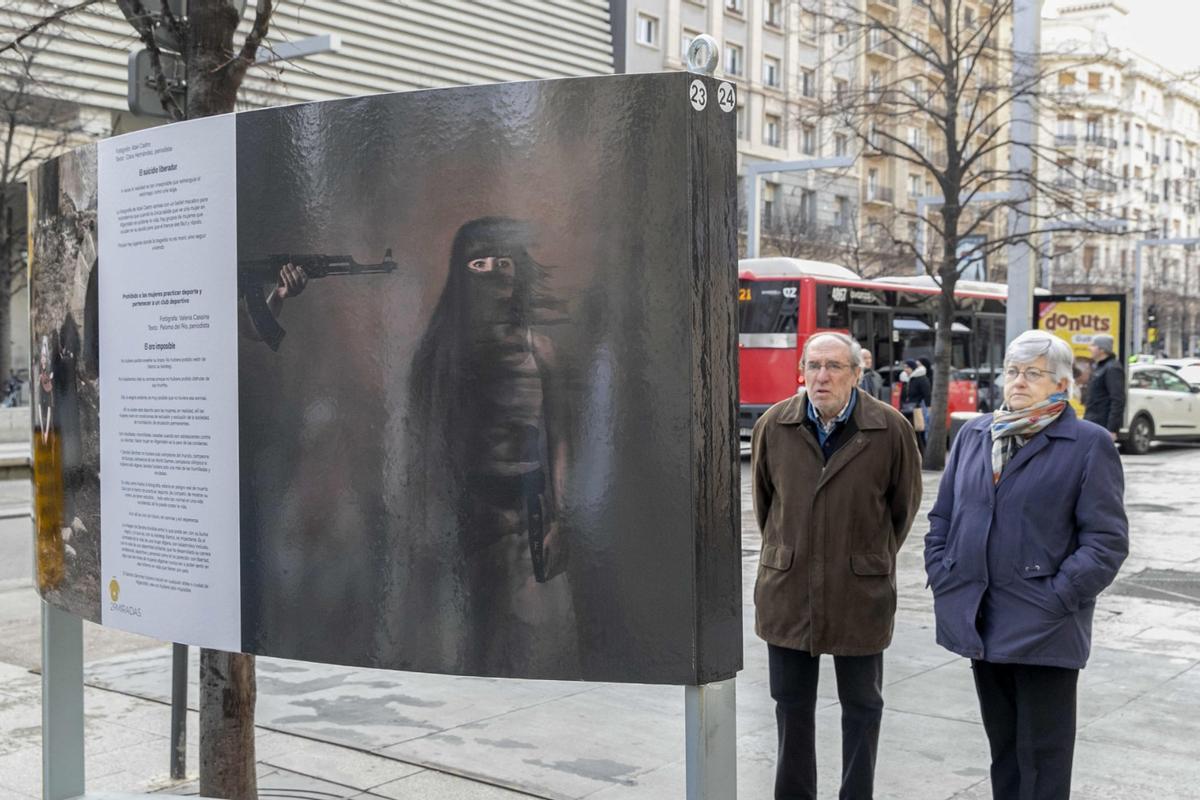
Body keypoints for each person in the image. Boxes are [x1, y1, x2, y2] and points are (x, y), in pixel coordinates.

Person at [925, 329, 1128, 800]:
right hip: (981, 618)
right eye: (1013, 371)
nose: (1019, 381)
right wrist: (943, 572)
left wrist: (1059, 596)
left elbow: (1107, 541)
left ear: (1061, 385)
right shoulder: (976, 434)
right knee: (1005, 753)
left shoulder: (1086, 443)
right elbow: (944, 517)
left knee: (1043, 761)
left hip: (1045, 628)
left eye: (1033, 374)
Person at [752, 332, 922, 800]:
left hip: (859, 594)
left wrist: (867, 558)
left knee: (863, 706)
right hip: (788, 593)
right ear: (801, 371)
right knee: (790, 706)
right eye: (813, 366)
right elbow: (767, 509)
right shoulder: (774, 425)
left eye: (834, 366)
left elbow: (902, 510)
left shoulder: (889, 429)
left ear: (856, 373)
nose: (822, 376)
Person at [1083, 334, 1125, 443]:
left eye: (1093, 345)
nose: (1089, 348)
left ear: (1102, 349)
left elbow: (1118, 399)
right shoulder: (1099, 367)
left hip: (1102, 425)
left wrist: (1112, 429)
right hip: (1093, 422)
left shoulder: (1112, 368)